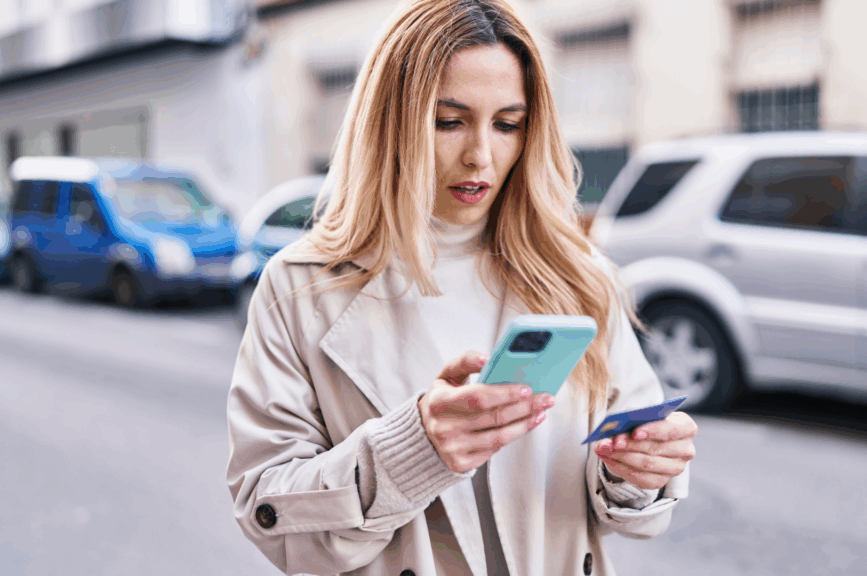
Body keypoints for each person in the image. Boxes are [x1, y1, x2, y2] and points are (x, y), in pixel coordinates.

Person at [226, 1, 698, 574]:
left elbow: (630, 505)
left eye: (507, 124)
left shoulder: (579, 274)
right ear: (390, 122)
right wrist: (411, 450)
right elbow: (266, 510)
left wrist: (639, 471)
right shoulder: (298, 287)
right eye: (449, 121)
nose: (481, 155)